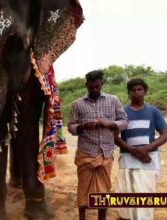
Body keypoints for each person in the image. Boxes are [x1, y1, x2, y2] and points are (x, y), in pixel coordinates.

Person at [68, 70, 128, 220]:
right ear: (86, 85)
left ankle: (102, 217)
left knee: (104, 189)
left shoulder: (113, 100)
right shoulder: (77, 104)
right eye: (91, 87)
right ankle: (82, 217)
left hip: (106, 153)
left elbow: (124, 121)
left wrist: (108, 124)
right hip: (86, 153)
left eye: (97, 86)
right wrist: (82, 127)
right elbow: (71, 127)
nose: (94, 90)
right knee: (83, 188)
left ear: (101, 84)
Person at [115, 79, 167, 220]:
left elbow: (165, 135)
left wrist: (146, 149)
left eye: (139, 89)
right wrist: (133, 150)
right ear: (129, 93)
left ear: (145, 91)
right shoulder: (122, 112)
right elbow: (115, 137)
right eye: (133, 90)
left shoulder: (153, 111)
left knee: (146, 192)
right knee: (126, 192)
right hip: (128, 159)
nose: (136, 92)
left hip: (149, 159)